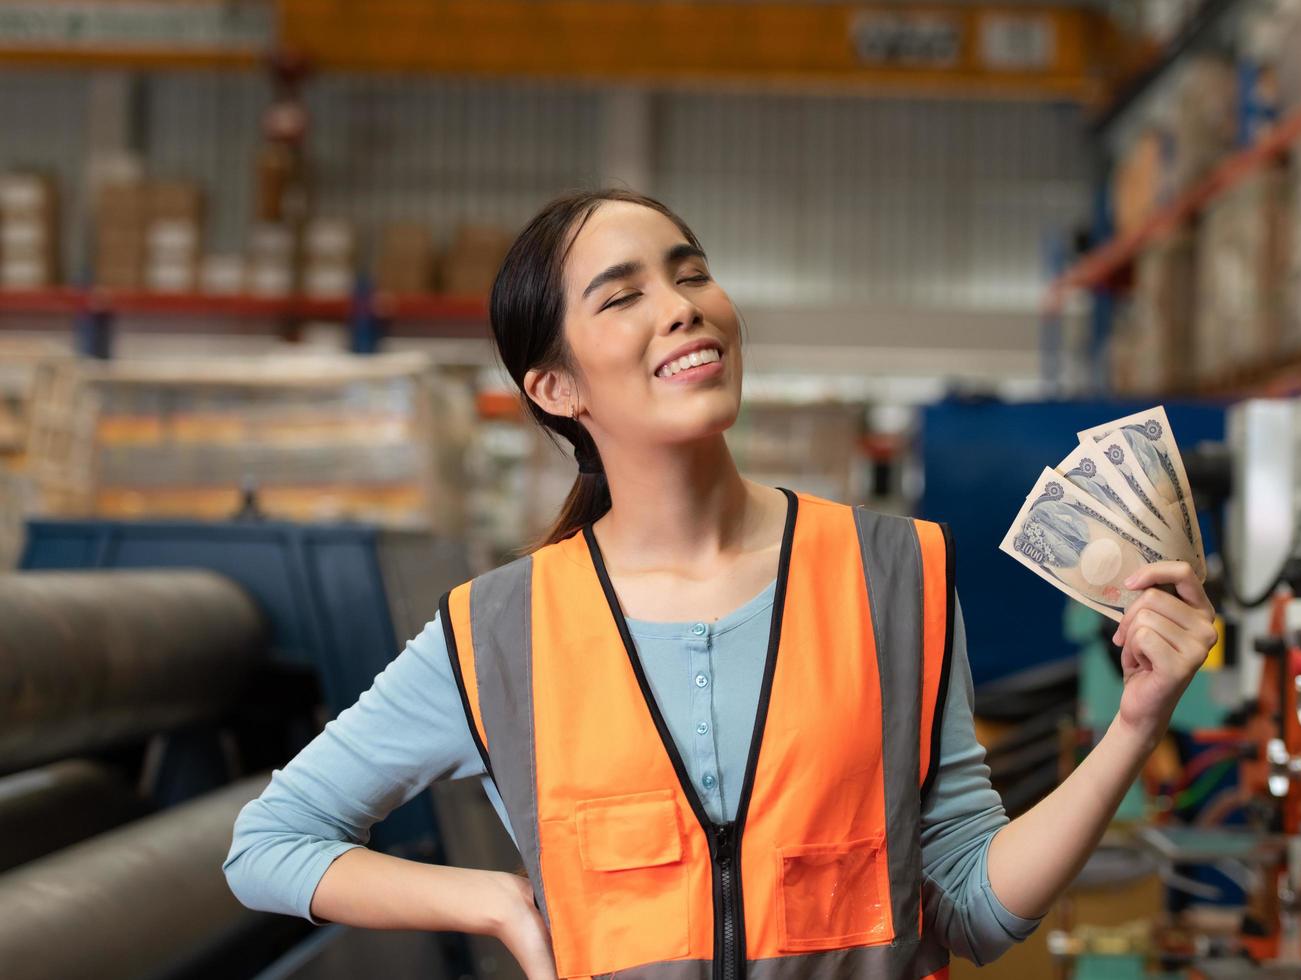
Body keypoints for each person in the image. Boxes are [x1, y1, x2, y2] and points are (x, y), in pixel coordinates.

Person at [223, 189, 1218, 979]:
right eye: (622, 295)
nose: (681, 305)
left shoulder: (894, 576)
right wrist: (493, 901)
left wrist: (1135, 721)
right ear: (554, 388)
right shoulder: (498, 635)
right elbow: (267, 841)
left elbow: (968, 903)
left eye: (689, 272)